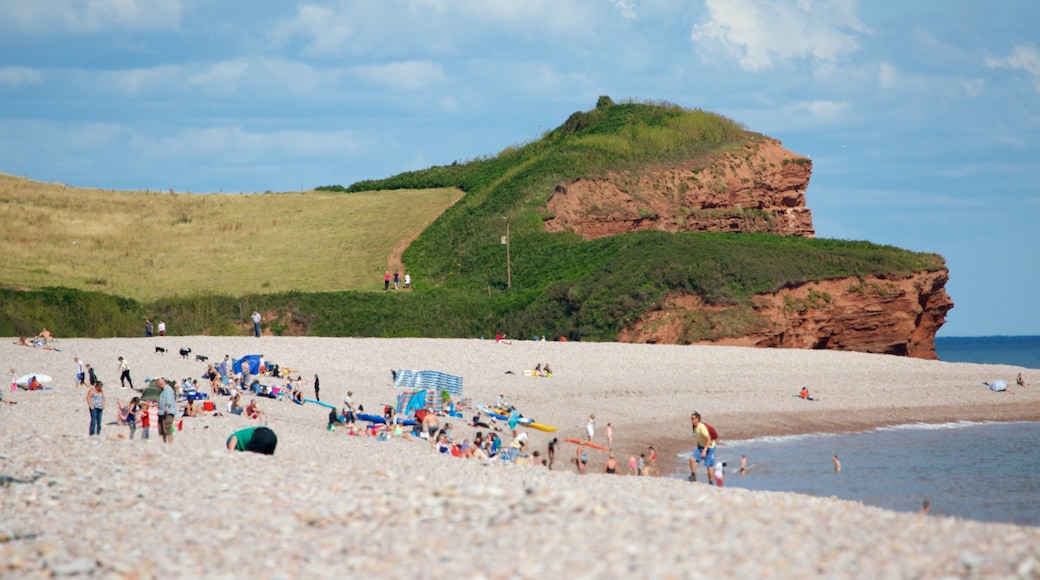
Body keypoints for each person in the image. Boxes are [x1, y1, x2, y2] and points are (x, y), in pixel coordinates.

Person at [688, 411, 717, 484]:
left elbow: (709, 439)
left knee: (709, 465)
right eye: (691, 418)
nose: (691, 420)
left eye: (693, 418)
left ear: (697, 419)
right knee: (692, 459)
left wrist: (705, 450)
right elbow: (699, 438)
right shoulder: (694, 427)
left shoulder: (702, 427)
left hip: (710, 448)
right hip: (701, 447)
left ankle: (710, 482)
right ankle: (693, 476)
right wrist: (699, 448)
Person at [157, 378, 177, 443]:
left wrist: (167, 407)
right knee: (162, 429)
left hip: (167, 412)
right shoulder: (163, 390)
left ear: (161, 383)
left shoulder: (168, 389)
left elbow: (169, 399)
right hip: (161, 412)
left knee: (167, 428)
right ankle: (164, 442)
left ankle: (170, 443)